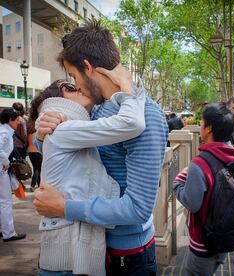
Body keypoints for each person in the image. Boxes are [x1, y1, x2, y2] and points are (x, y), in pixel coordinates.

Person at [33, 19, 168, 275]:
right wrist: (46, 133)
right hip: (94, 244)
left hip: (128, 254)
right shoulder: (97, 106)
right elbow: (73, 156)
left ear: (87, 67)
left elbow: (137, 209)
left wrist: (64, 208)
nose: (76, 86)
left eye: (73, 76)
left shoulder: (147, 116)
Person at [31, 71, 144, 275]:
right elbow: (130, 123)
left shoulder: (68, 129)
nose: (79, 86)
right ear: (57, 101)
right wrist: (128, 88)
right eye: (71, 86)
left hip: (69, 254)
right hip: (66, 259)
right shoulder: (64, 130)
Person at [173, 104, 234, 275]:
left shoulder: (200, 164)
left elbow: (192, 203)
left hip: (203, 242)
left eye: (202, 122)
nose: (200, 126)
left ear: (209, 128)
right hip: (225, 236)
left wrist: (178, 182)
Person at [0, 108, 26, 242]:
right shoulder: (5, 133)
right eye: (17, 119)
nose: (19, 122)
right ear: (11, 120)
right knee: (6, 202)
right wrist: (6, 162)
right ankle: (9, 233)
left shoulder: (4, 130)